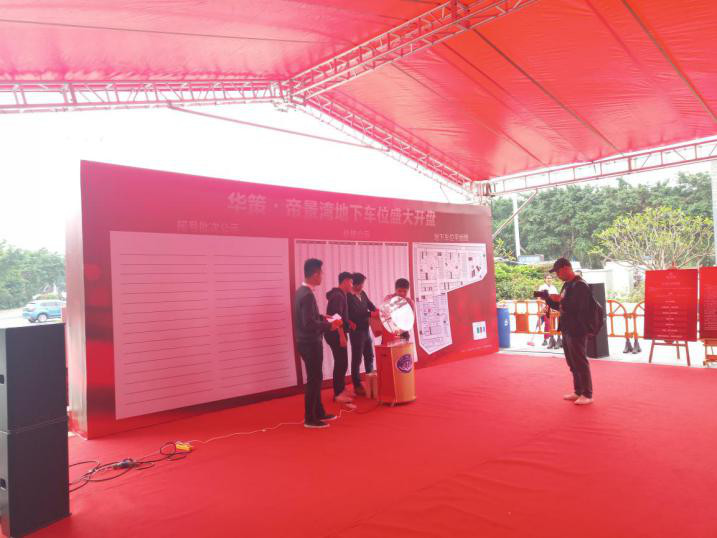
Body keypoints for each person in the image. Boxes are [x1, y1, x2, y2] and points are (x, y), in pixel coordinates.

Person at [293, 258, 343, 428]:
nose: (322, 276)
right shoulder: (307, 295)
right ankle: (310, 418)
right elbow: (308, 323)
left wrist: (323, 317)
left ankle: (319, 411)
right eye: (321, 273)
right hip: (310, 343)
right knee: (314, 379)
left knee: (316, 377)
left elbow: (309, 317)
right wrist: (330, 325)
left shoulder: (301, 291)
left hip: (305, 342)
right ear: (315, 274)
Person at [541, 258, 594, 405]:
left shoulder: (580, 285)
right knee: (572, 362)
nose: (557, 275)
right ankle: (578, 391)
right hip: (567, 328)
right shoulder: (567, 285)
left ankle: (587, 394)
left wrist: (560, 301)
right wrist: (549, 299)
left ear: (566, 268)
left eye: (558, 272)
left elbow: (580, 308)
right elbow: (561, 307)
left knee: (580, 361)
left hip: (578, 329)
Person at [325, 272, 356, 406]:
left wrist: (348, 323)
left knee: (342, 362)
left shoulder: (340, 295)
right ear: (345, 281)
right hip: (335, 334)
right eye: (351, 282)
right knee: (341, 362)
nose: (352, 285)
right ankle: (338, 394)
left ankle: (342, 388)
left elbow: (341, 315)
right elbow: (335, 317)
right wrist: (342, 336)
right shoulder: (338, 296)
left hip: (338, 331)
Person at [347, 272, 378, 396]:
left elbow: (370, 305)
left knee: (369, 356)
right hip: (356, 332)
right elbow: (355, 313)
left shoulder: (362, 293)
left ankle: (371, 381)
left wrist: (378, 311)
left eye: (362, 284)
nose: (362, 286)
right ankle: (357, 385)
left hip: (366, 329)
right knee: (357, 359)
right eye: (360, 284)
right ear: (354, 284)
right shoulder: (348, 297)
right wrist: (371, 314)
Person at [383, 278, 415, 342]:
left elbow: (410, 321)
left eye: (405, 291)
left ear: (408, 291)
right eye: (399, 291)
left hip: (403, 332)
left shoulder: (410, 302)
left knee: (403, 348)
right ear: (395, 290)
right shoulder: (389, 298)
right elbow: (384, 314)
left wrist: (400, 331)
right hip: (389, 332)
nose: (402, 293)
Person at [538, 274, 558, 348]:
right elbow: (538, 298)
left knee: (553, 324)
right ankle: (545, 339)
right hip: (545, 307)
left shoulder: (554, 288)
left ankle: (552, 339)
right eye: (547, 278)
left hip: (553, 308)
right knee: (547, 323)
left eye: (550, 278)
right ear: (545, 279)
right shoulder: (541, 287)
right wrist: (541, 307)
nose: (549, 279)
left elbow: (557, 298)